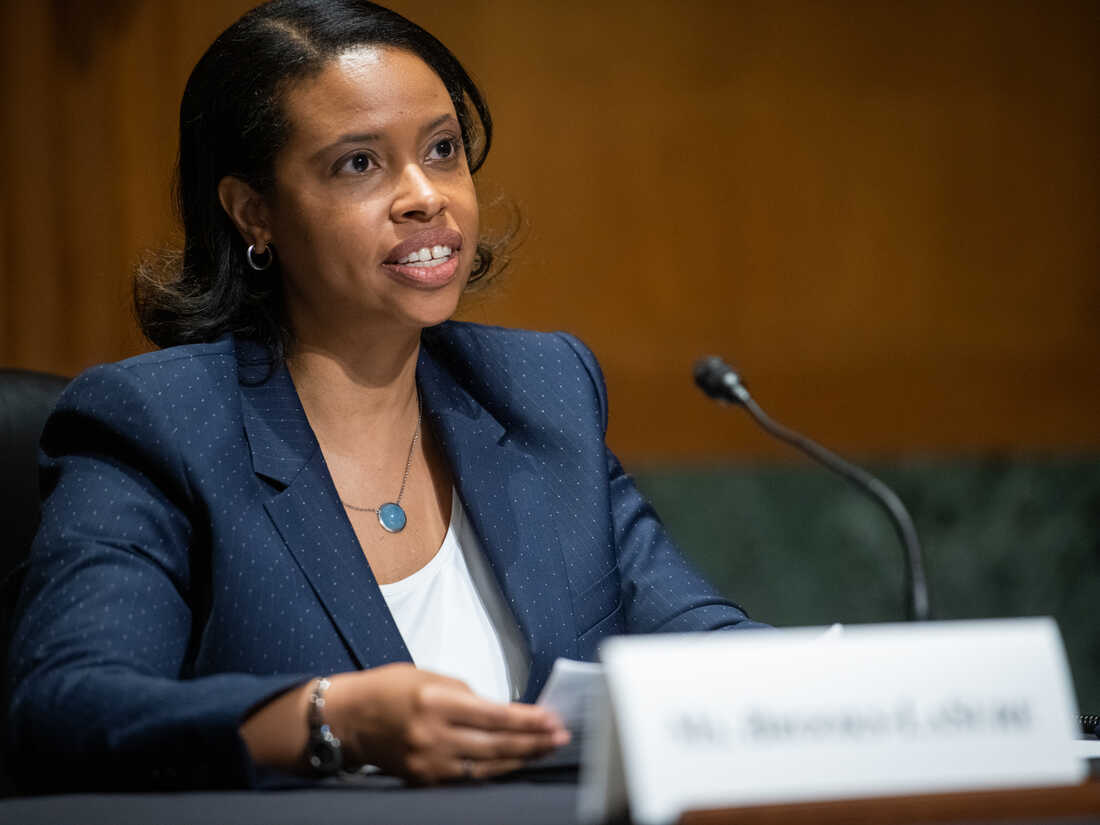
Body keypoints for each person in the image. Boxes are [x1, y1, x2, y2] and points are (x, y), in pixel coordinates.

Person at [6, 0, 765, 792]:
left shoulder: (541, 391)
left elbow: (700, 640)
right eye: (358, 164)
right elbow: (67, 708)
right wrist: (334, 718)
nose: (424, 196)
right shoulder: (159, 424)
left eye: (442, 150)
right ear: (254, 213)